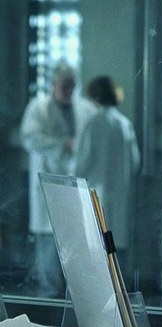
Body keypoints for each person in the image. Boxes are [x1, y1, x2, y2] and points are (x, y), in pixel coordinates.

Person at [20, 62, 95, 297]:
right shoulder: (38, 108)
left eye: (72, 86)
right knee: (47, 246)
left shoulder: (84, 108)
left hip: (74, 186)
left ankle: (72, 300)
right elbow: (29, 138)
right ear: (53, 85)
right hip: (47, 185)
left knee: (75, 247)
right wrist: (62, 144)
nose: (68, 91)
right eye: (64, 86)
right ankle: (48, 297)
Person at [74, 75, 140, 282]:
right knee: (117, 249)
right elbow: (135, 162)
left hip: (97, 194)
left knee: (98, 250)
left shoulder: (93, 122)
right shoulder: (124, 124)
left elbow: (82, 163)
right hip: (122, 195)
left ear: (94, 97)